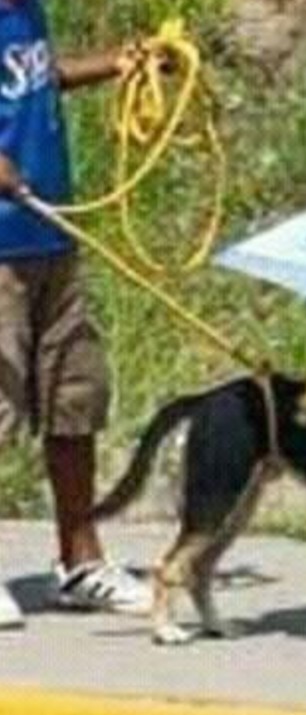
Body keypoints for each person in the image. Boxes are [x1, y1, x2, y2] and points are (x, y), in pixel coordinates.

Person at [0, 0, 154, 626]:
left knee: (75, 397)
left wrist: (117, 64)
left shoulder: (27, 11)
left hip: (51, 233)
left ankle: (80, 561)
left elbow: (37, 77)